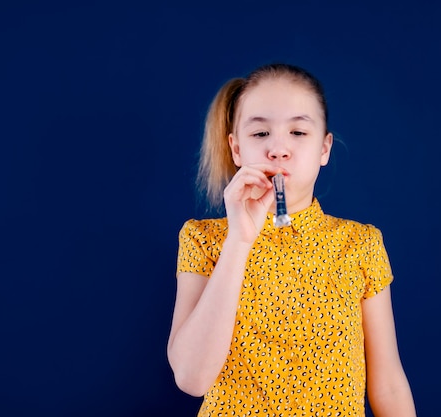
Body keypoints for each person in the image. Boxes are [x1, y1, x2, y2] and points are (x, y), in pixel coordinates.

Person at [167, 63, 416, 416]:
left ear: (324, 149)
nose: (279, 149)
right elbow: (192, 379)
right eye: (260, 134)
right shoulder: (203, 239)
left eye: (298, 132)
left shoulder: (361, 244)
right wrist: (239, 240)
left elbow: (388, 383)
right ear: (236, 150)